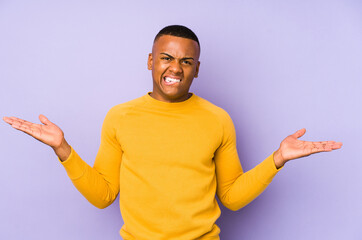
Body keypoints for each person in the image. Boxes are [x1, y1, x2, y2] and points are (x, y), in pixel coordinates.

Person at [3, 25, 342, 240]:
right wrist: (62, 149)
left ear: (196, 69)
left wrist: (278, 158)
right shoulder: (120, 117)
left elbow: (233, 197)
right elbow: (103, 195)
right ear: (151, 60)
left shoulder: (218, 119)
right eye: (166, 58)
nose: (175, 69)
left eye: (186, 62)